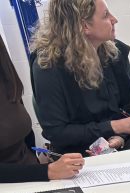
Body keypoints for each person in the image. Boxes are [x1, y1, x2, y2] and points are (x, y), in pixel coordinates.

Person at [30, 0, 130, 154]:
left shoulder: (115, 52)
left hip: (120, 139)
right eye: (105, 15)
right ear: (84, 26)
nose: (114, 19)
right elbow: (58, 133)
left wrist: (120, 136)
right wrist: (114, 127)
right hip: (77, 149)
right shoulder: (48, 66)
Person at [1, 36, 84, 183]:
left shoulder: (7, 81)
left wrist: (42, 163)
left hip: (31, 176)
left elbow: (24, 133)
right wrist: (47, 171)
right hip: (14, 183)